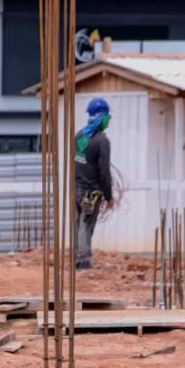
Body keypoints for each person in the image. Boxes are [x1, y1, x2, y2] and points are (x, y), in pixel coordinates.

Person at [74, 97, 114, 270]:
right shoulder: (102, 141)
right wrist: (109, 196)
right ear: (101, 117)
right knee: (87, 224)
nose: (109, 120)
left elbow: (77, 161)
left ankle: (78, 257)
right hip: (91, 191)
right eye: (107, 117)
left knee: (79, 224)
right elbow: (104, 172)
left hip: (77, 188)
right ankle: (83, 260)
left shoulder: (80, 135)